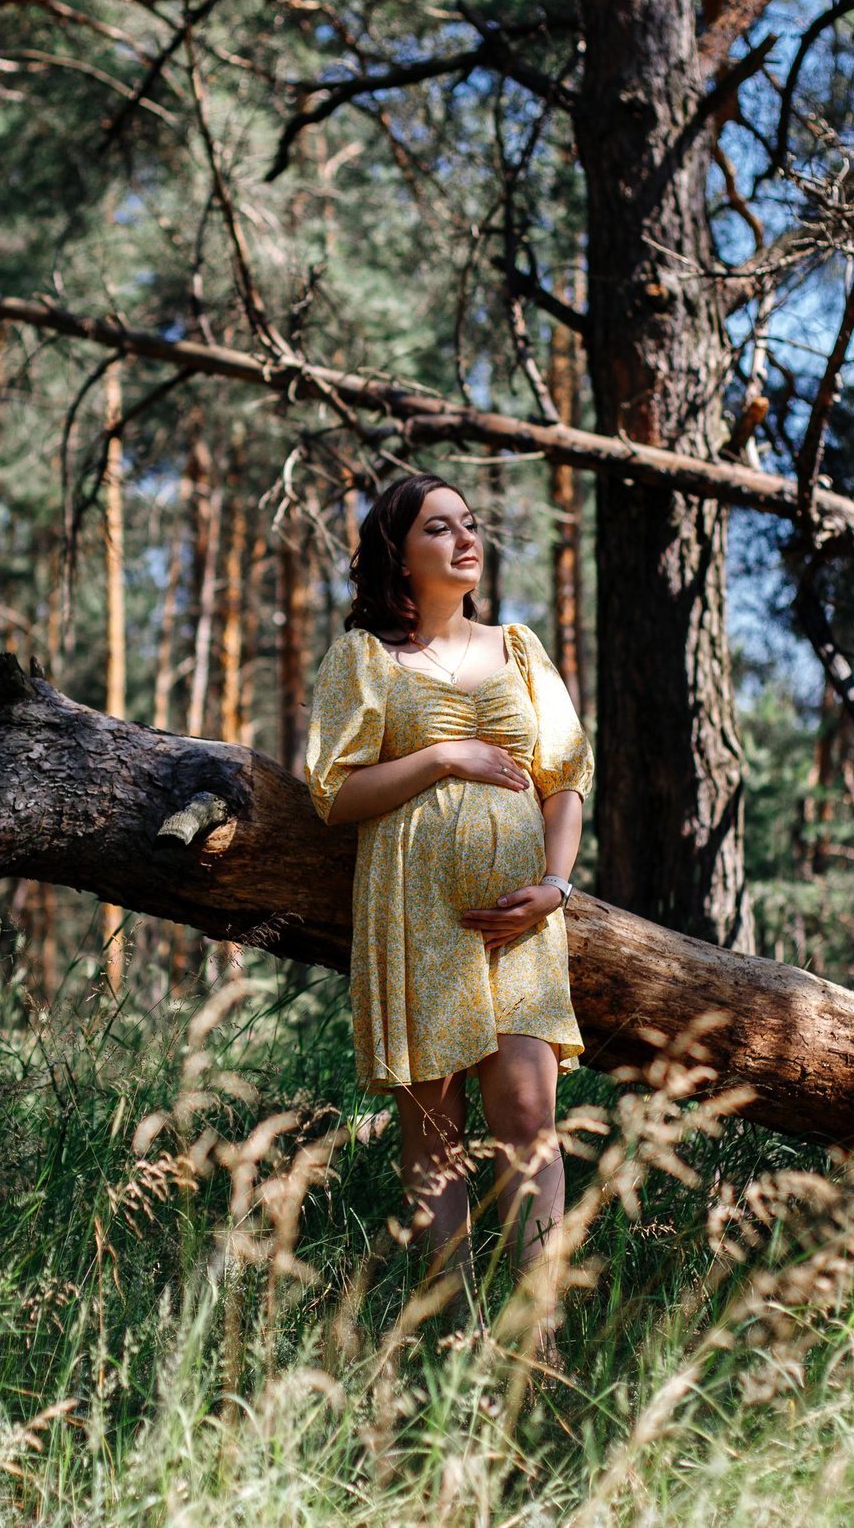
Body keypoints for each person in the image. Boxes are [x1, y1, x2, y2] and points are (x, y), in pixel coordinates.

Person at [303, 473, 592, 1279]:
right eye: (439, 528)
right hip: (413, 911)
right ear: (397, 555)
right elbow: (335, 791)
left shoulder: (519, 647)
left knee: (530, 1114)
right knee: (435, 1134)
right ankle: (449, 1329)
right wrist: (442, 755)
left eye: (469, 523)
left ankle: (540, 1341)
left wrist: (556, 885)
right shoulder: (364, 659)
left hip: (521, 916)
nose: (466, 538)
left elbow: (565, 776)